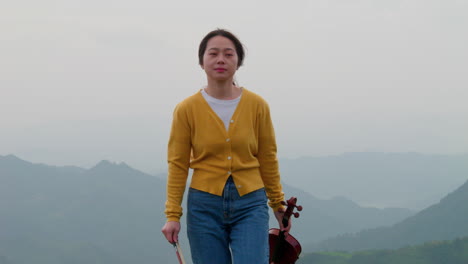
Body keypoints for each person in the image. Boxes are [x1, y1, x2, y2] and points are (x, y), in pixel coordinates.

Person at [161, 28, 290, 264]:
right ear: (202, 61)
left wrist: (278, 203)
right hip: (204, 205)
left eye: (229, 54)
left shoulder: (257, 105)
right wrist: (172, 215)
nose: (221, 59)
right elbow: (178, 164)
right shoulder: (186, 109)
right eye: (213, 53)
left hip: (251, 202)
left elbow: (267, 157)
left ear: (238, 61)